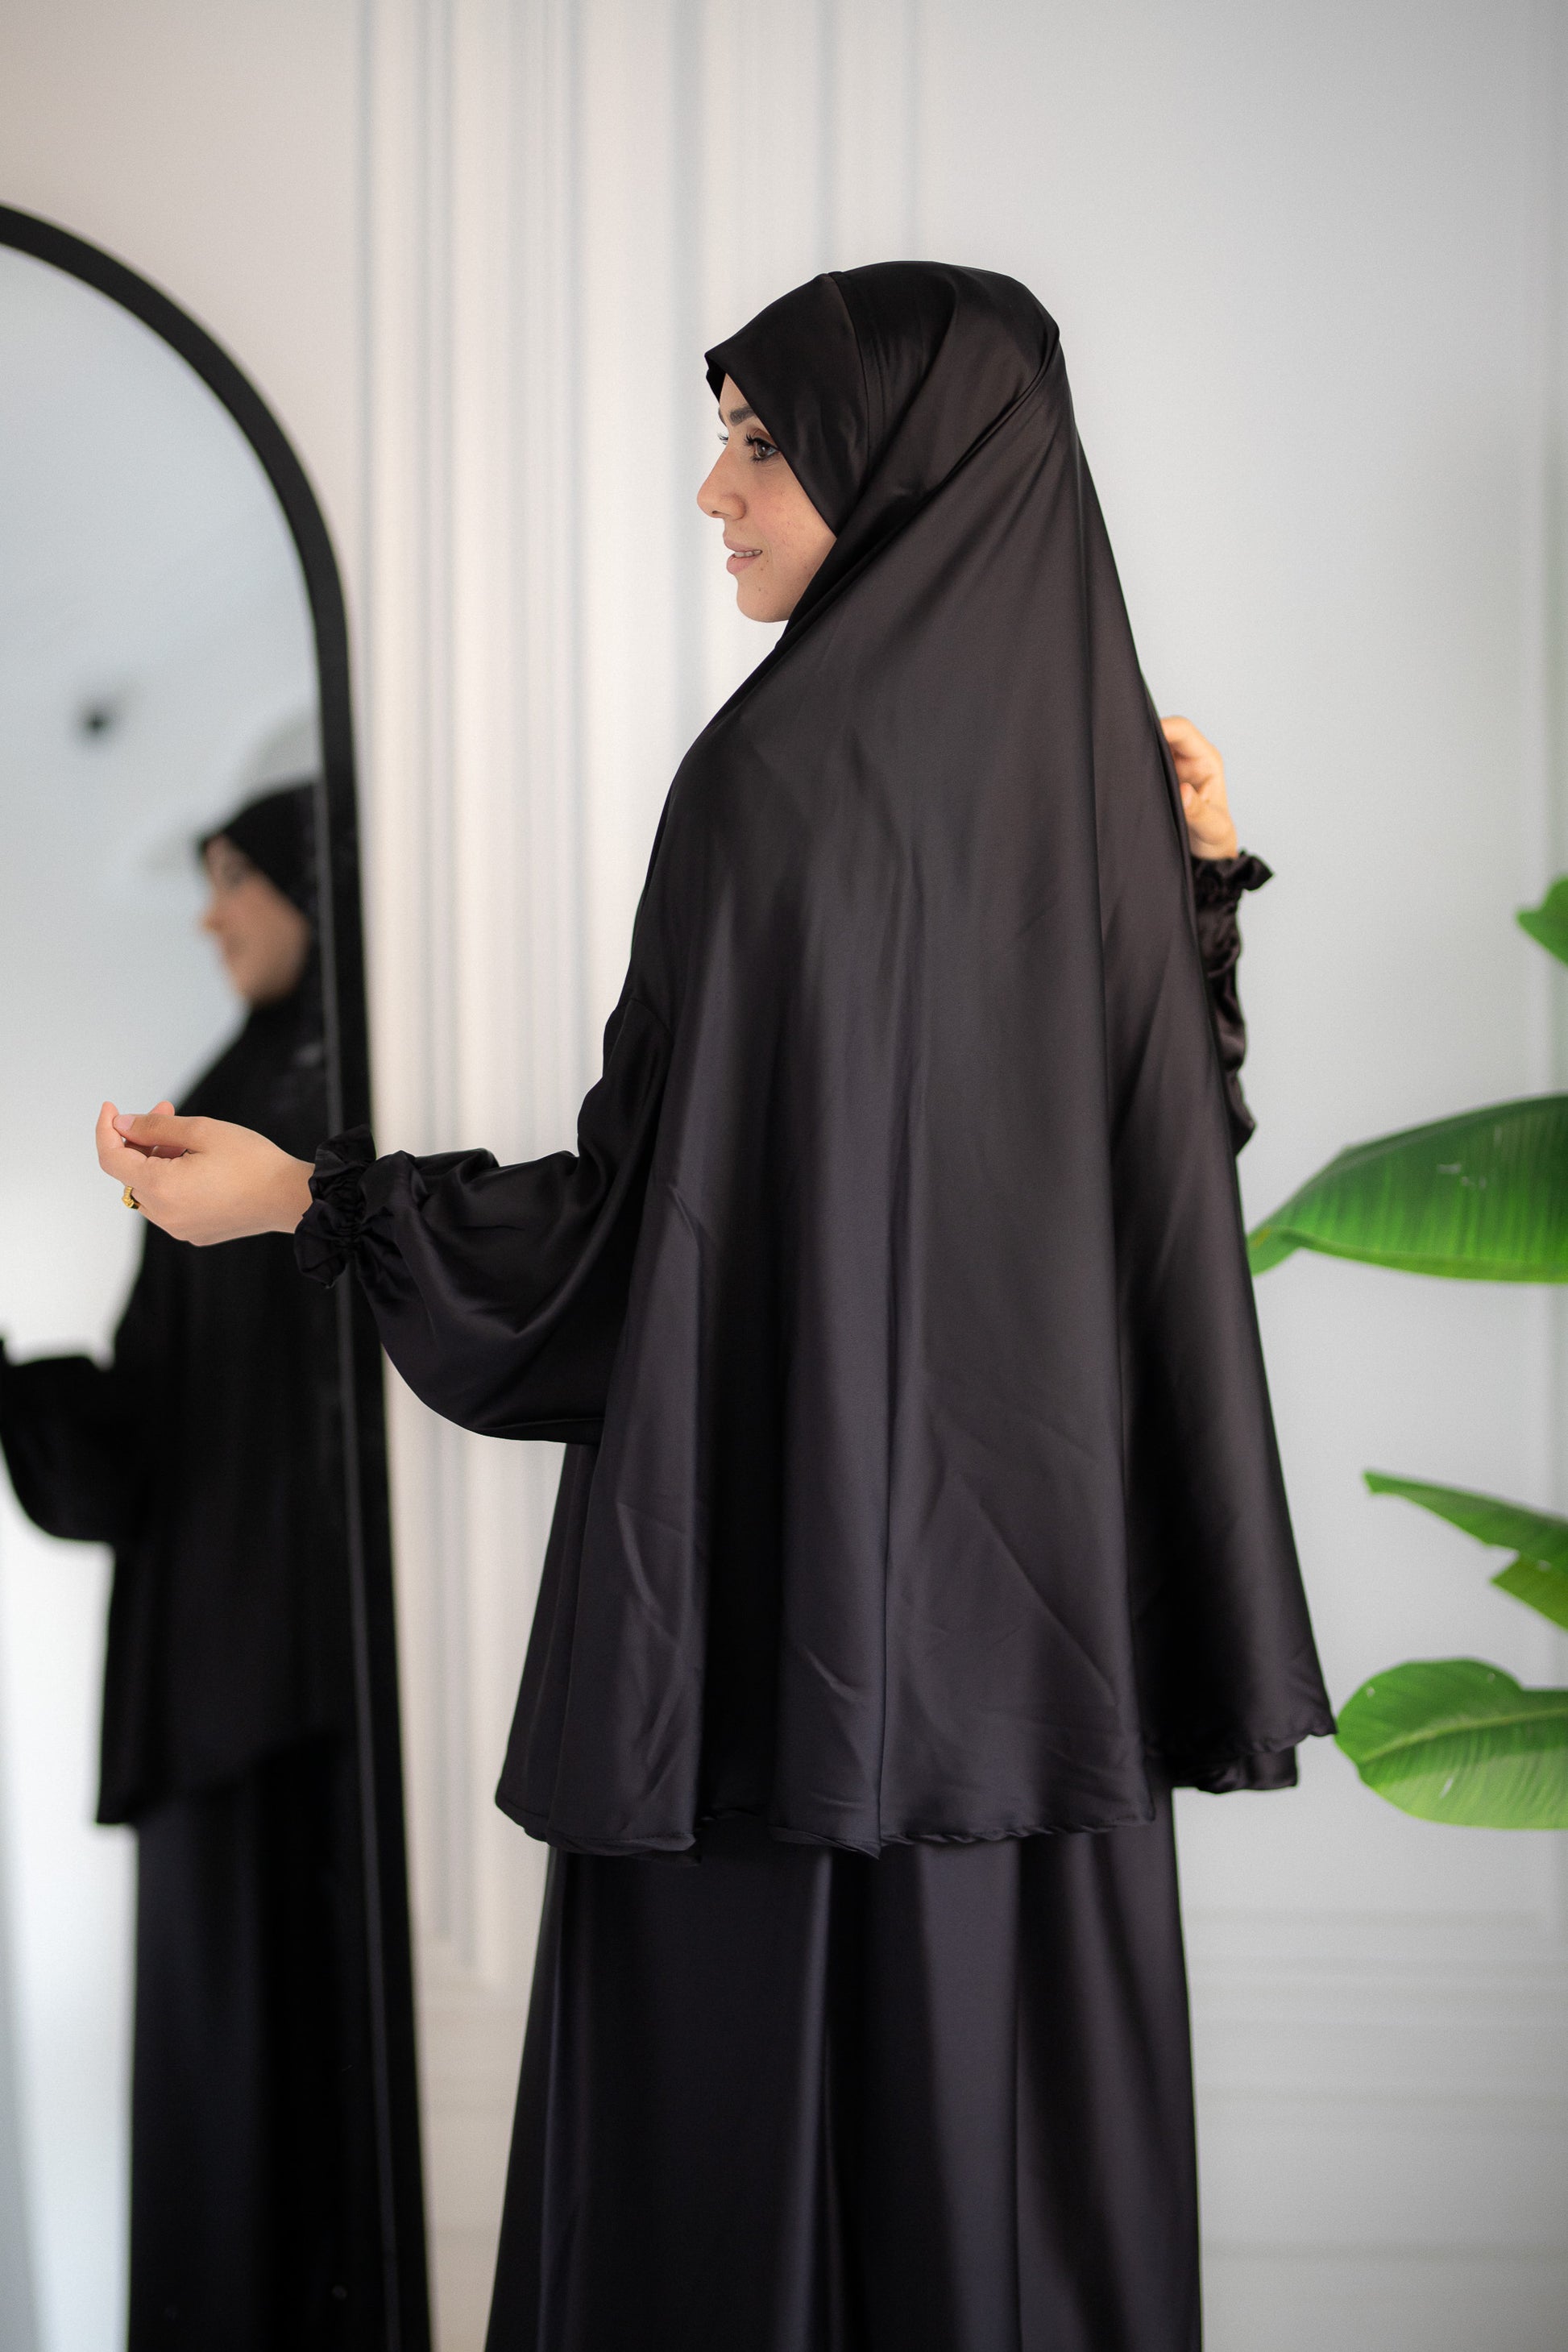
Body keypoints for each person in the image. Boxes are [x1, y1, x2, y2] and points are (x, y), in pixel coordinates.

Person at [97, 267, 1332, 2352]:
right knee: (1004, 2227)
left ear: (905, 462)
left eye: (762, 441)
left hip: (774, 1675)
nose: (713, 489)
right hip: (1040, 1695)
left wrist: (310, 1197)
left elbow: (631, 1252)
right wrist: (1194, 891)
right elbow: (1157, 1185)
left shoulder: (773, 787)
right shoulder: (1094, 802)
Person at [3, 785, 377, 2350]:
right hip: (226, 1689)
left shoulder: (353, 1098)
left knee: (332, 2087)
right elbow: (150, 1431)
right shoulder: (222, 1109)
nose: (213, 914)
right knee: (230, 2100)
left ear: (313, 881)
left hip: (327, 1687)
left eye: (238, 881)